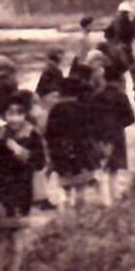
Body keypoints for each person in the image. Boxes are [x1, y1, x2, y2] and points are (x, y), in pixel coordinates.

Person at [0, 91, 47, 271]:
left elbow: (40, 162)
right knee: (0, 235)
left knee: (17, 236)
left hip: (21, 190)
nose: (14, 118)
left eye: (18, 113)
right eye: (9, 114)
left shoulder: (32, 135)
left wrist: (20, 151)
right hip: (0, 190)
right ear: (4, 116)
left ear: (25, 115)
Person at [43, 75, 99, 208]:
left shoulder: (55, 110)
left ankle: (67, 207)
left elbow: (49, 134)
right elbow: (90, 130)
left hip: (62, 152)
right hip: (81, 151)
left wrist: (52, 152)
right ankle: (80, 209)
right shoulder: (82, 108)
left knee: (66, 186)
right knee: (80, 186)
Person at [90, 64, 135, 205]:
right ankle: (115, 197)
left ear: (104, 78)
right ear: (118, 79)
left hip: (99, 135)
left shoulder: (96, 96)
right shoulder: (121, 96)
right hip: (116, 135)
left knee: (103, 167)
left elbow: (90, 116)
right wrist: (119, 123)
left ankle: (105, 199)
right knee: (115, 169)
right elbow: (131, 118)